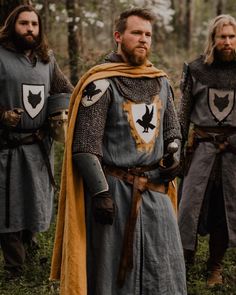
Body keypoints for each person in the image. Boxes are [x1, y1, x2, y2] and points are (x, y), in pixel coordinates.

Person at [50, 7, 187, 295]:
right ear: (118, 36)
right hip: (115, 192)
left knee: (163, 267)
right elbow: (85, 147)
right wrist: (100, 194)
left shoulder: (160, 80)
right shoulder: (99, 83)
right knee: (112, 275)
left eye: (148, 34)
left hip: (155, 190)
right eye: (136, 32)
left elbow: (172, 131)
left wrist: (174, 152)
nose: (143, 39)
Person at [0, 4, 73, 279]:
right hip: (7, 147)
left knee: (33, 202)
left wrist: (64, 109)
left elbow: (66, 89)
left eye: (34, 24)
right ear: (11, 26)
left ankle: (29, 252)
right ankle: (14, 268)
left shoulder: (46, 58)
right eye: (23, 23)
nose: (30, 29)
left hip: (38, 145)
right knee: (8, 206)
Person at [178, 14, 236, 287]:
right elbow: (182, 115)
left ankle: (215, 267)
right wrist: (174, 151)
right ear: (212, 39)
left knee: (224, 212)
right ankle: (183, 261)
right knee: (188, 208)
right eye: (222, 36)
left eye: (232, 37)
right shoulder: (196, 69)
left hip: (232, 156)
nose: (227, 42)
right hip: (200, 150)